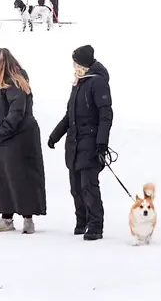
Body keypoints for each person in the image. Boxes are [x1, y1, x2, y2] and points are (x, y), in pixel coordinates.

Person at [47, 45, 113, 241]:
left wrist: (101, 143)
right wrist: (55, 135)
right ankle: (81, 221)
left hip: (91, 143)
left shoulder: (98, 83)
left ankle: (95, 225)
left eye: (75, 62)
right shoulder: (79, 83)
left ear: (83, 63)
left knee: (88, 186)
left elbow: (106, 115)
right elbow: (70, 115)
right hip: (75, 144)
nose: (73, 65)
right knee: (75, 187)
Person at [0, 48, 46, 234]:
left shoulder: (15, 83)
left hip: (17, 138)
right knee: (5, 178)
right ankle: (7, 218)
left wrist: (0, 132)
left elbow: (16, 113)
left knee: (21, 177)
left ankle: (27, 219)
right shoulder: (5, 82)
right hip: (6, 139)